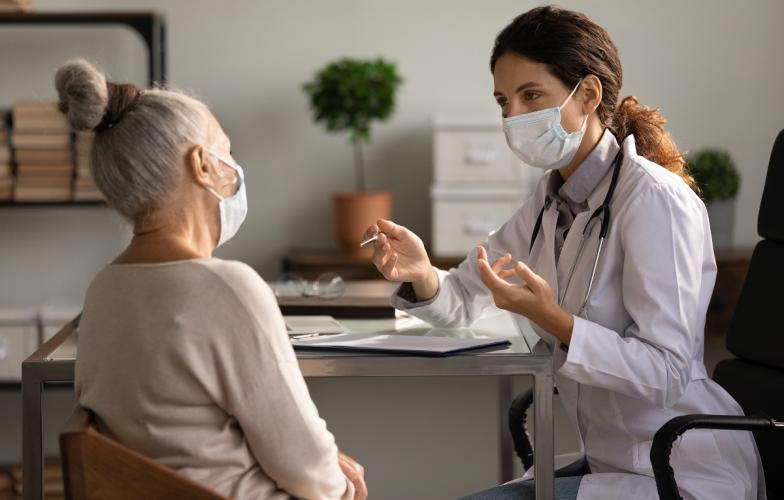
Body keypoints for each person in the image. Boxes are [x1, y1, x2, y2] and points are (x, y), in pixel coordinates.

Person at [365, 6, 763, 500]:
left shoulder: (654, 199)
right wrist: (422, 272)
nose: (512, 116)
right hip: (615, 457)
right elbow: (464, 297)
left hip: (681, 466)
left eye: (531, 95)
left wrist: (556, 321)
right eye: (503, 101)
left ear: (588, 95)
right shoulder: (551, 200)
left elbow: (667, 371)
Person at [57, 59, 367, 500]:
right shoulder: (227, 288)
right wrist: (338, 479)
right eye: (228, 150)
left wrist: (321, 463)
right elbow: (309, 471)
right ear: (203, 164)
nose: (235, 167)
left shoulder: (103, 290)